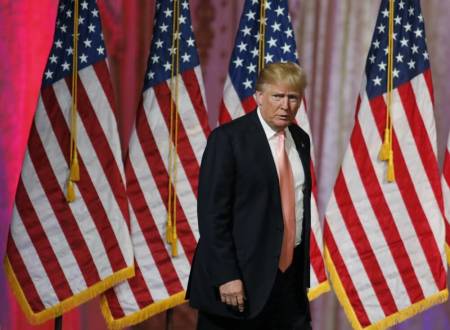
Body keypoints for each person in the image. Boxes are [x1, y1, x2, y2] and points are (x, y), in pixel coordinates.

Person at [186, 62, 312, 330]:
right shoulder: (228, 140)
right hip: (238, 283)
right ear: (258, 96)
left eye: (293, 98)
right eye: (278, 96)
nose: (286, 106)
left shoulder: (300, 139)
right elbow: (212, 217)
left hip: (288, 284)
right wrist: (226, 276)